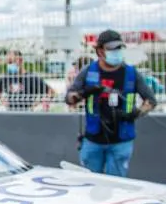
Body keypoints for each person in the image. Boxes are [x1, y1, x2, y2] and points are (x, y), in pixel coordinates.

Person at [66, 29, 157, 177]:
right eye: (112, 49)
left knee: (116, 185)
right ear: (100, 51)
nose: (116, 52)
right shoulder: (88, 72)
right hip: (93, 140)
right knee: (90, 182)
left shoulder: (131, 74)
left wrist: (136, 113)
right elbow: (69, 98)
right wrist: (84, 93)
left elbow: (150, 100)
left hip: (121, 141)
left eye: (119, 48)